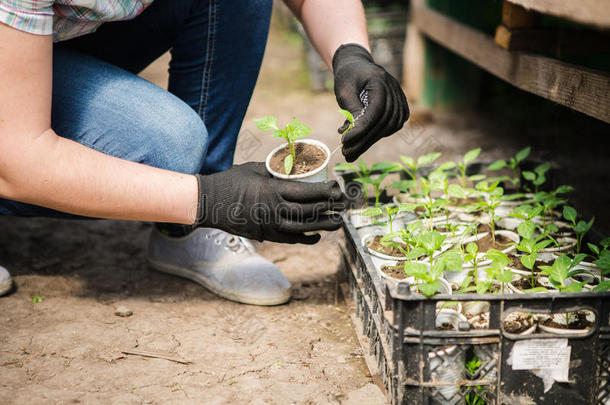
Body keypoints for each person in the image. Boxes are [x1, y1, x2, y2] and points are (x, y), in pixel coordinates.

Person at [0, 0, 409, 303]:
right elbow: (18, 158)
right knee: (168, 146)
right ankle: (192, 204)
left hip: (48, 38)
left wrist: (350, 51)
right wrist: (211, 199)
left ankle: (187, 233)